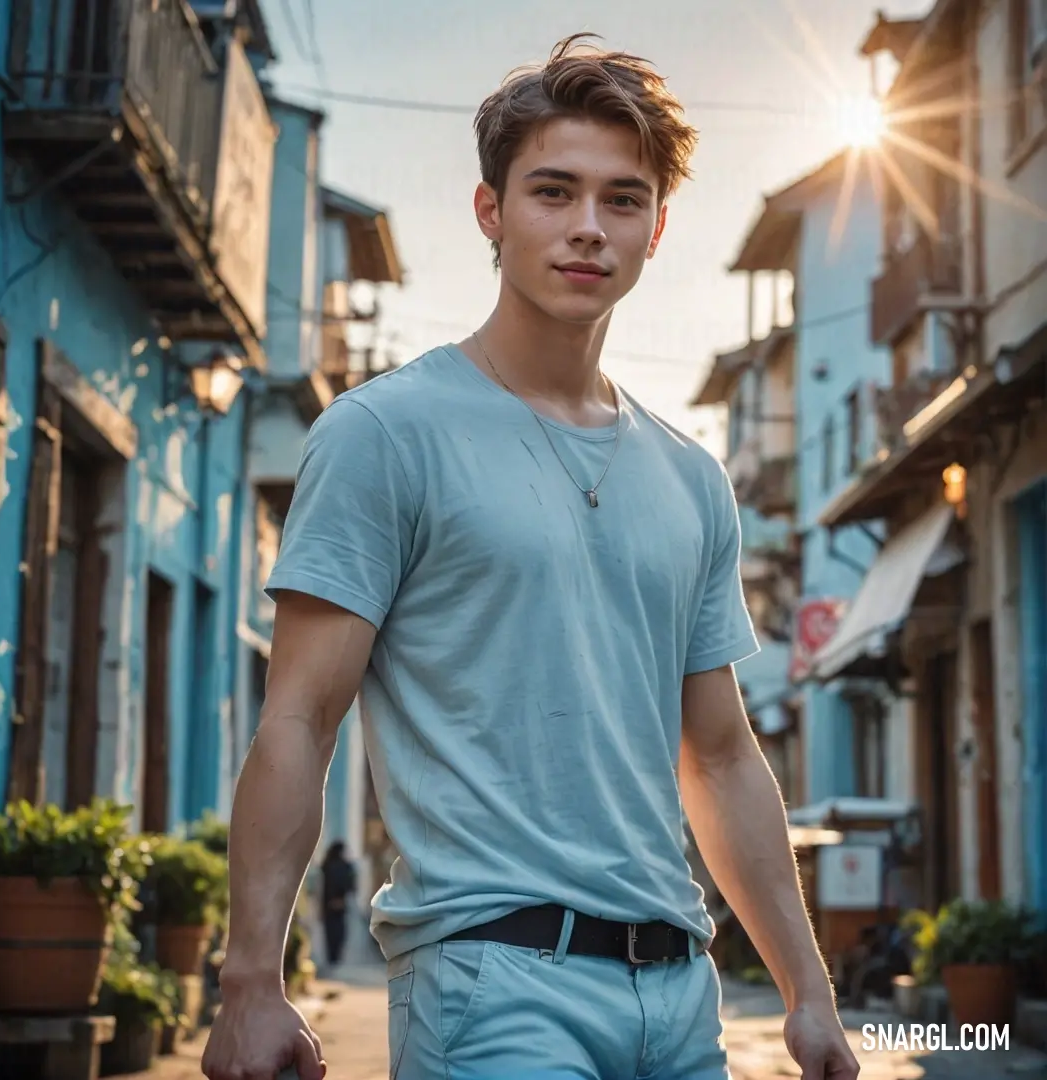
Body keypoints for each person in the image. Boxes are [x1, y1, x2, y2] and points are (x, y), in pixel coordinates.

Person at [201, 32, 861, 1080]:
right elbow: (300, 717)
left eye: (623, 199)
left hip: (680, 998)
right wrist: (251, 984)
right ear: (490, 212)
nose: (589, 228)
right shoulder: (388, 433)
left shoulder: (693, 480)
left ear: (656, 227)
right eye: (553, 192)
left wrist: (809, 994)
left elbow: (723, 755)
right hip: (491, 986)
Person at [319, 841, 356, 969]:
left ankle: (332, 958)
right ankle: (336, 957)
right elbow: (351, 885)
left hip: (328, 904)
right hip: (339, 904)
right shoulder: (345, 866)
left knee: (331, 932)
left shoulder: (326, 865)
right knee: (339, 931)